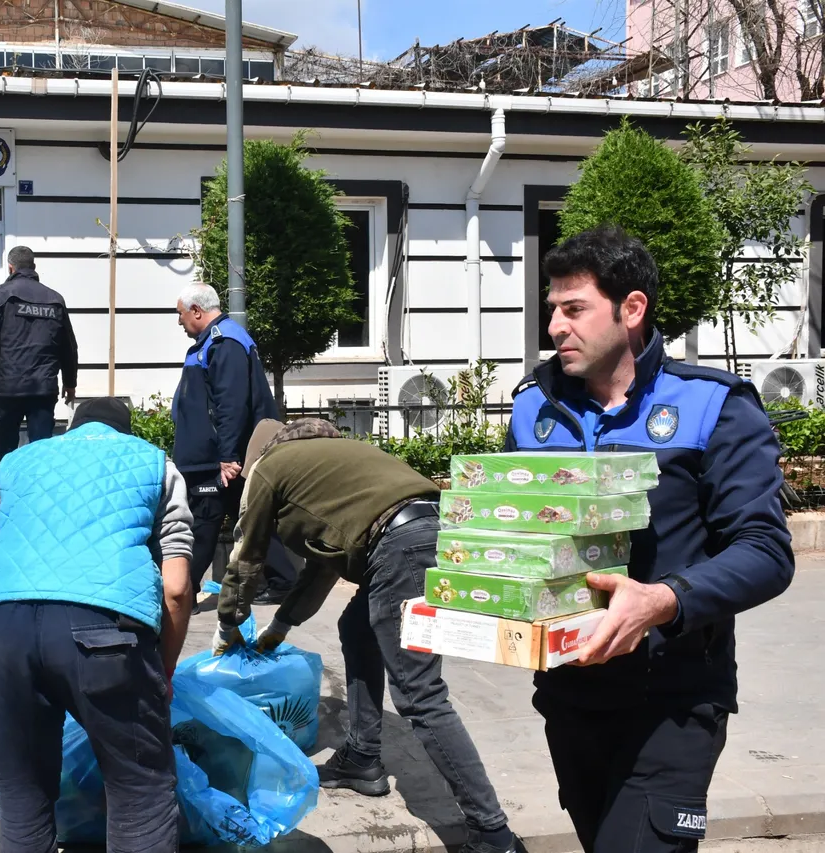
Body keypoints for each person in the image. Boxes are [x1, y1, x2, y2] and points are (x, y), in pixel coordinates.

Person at [506, 225, 794, 853]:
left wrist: (662, 599)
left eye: (574, 308)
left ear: (631, 309)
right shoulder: (533, 406)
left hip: (673, 699)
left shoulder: (713, 405)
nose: (555, 326)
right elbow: (521, 535)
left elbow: (766, 551)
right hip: (569, 695)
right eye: (552, 308)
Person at [213, 417, 519, 853]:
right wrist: (281, 626)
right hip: (439, 531)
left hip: (400, 544)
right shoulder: (332, 462)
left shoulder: (269, 466)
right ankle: (362, 757)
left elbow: (247, 552)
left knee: (419, 694)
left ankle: (493, 834)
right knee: (355, 628)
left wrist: (228, 623)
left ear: (256, 456)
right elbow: (323, 565)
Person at [0, 397, 194, 853]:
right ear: (127, 430)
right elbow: (176, 588)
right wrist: (163, 674)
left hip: (3, 627)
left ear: (71, 428)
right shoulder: (155, 464)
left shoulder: (16, 463)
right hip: (102, 631)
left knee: (22, 789)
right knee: (140, 789)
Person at [171, 283, 294, 605]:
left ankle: (182, 592)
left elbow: (231, 403)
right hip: (216, 456)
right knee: (251, 519)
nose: (180, 322)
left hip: (216, 459)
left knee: (203, 523)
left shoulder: (223, 342)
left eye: (181, 315)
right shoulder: (216, 341)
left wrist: (226, 456)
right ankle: (283, 580)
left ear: (196, 310)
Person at [0, 245, 79, 466]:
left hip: (8, 389)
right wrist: (70, 382)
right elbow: (69, 345)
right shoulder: (55, 299)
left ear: (11, 268)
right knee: (41, 455)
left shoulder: (0, 295)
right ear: (34, 267)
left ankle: (7, 497)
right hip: (43, 389)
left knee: (6, 453)